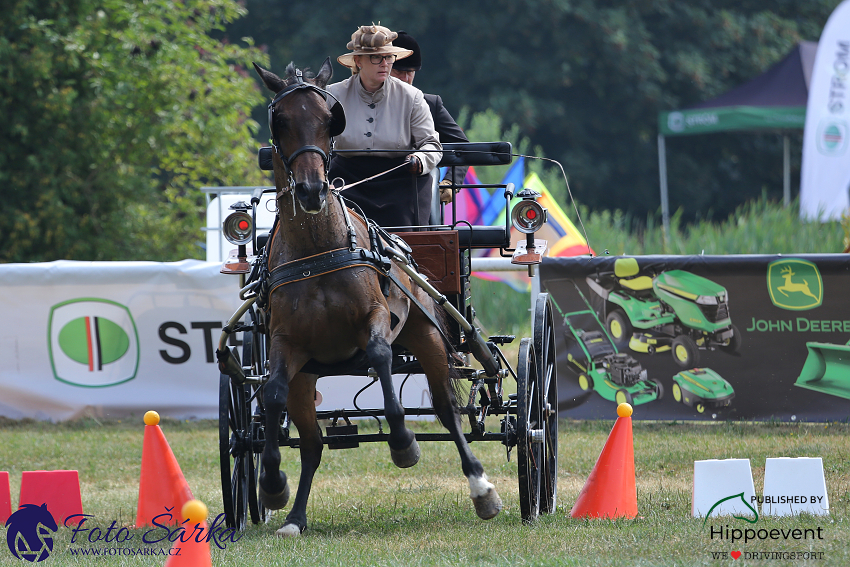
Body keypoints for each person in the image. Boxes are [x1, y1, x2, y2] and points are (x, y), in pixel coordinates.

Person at [327, 24, 442, 228]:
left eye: (388, 57)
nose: (384, 63)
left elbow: (431, 144)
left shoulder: (412, 97)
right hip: (345, 182)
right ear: (357, 61)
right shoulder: (331, 96)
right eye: (376, 57)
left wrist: (419, 159)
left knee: (402, 225)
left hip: (401, 181)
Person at [390, 31, 469, 203]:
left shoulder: (431, 104)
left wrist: (450, 182)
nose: (405, 79)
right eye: (398, 71)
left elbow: (463, 146)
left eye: (410, 72)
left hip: (416, 189)